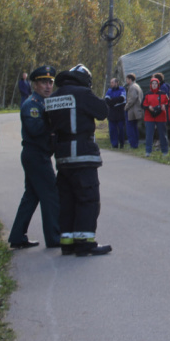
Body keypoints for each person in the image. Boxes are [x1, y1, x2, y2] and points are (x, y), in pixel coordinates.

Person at [44, 64, 111, 256]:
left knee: (67, 201)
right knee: (88, 199)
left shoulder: (53, 97)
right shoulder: (82, 93)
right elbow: (102, 112)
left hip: (62, 157)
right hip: (82, 155)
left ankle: (67, 243)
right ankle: (85, 243)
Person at [8, 65, 60, 250]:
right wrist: (52, 123)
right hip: (36, 154)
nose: (48, 86)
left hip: (39, 154)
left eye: (50, 82)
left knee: (31, 196)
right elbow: (36, 129)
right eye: (43, 82)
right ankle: (54, 237)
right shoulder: (32, 104)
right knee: (50, 194)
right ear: (35, 85)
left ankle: (17, 236)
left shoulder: (45, 103)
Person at [142, 76, 169, 157]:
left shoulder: (163, 94)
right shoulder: (147, 94)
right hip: (149, 116)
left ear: (158, 85)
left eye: (156, 84)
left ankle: (164, 150)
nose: (154, 85)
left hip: (161, 116)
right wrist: (148, 107)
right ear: (150, 85)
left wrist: (164, 106)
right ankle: (148, 151)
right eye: (153, 83)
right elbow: (143, 104)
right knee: (149, 134)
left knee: (162, 134)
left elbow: (168, 102)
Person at [104, 78, 127, 149]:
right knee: (112, 130)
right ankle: (114, 144)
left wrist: (112, 100)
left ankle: (121, 143)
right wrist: (115, 101)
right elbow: (107, 100)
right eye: (111, 82)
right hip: (112, 113)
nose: (111, 84)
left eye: (112, 82)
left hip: (120, 112)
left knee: (121, 129)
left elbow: (122, 99)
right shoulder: (109, 90)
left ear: (116, 83)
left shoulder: (122, 89)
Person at [124, 73, 144, 149]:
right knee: (134, 127)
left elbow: (132, 98)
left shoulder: (132, 87)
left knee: (130, 128)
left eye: (127, 79)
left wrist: (126, 107)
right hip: (136, 110)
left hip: (132, 111)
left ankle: (133, 144)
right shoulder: (137, 86)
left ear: (130, 79)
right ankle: (135, 143)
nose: (126, 81)